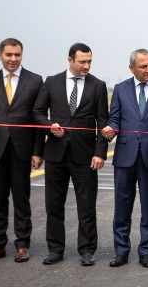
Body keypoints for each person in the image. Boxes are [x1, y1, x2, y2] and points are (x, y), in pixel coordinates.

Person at [32, 42, 109, 266]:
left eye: (89, 61)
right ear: (70, 60)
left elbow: (103, 122)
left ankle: (87, 250)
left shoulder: (98, 85)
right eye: (82, 61)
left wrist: (100, 153)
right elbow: (37, 113)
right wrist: (50, 127)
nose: (86, 66)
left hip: (85, 156)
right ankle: (55, 250)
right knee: (53, 205)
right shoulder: (52, 82)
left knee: (87, 206)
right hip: (56, 154)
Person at [101, 49, 148, 268]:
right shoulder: (120, 89)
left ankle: (146, 251)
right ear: (131, 68)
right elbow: (115, 119)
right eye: (144, 66)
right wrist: (111, 130)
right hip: (125, 157)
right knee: (121, 208)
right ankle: (121, 251)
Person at [0, 38, 44, 263]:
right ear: (0, 56)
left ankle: (22, 244)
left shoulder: (35, 80)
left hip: (22, 150)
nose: (13, 59)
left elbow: (38, 117)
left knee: (22, 199)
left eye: (17, 55)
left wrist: (38, 151)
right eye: (9, 55)